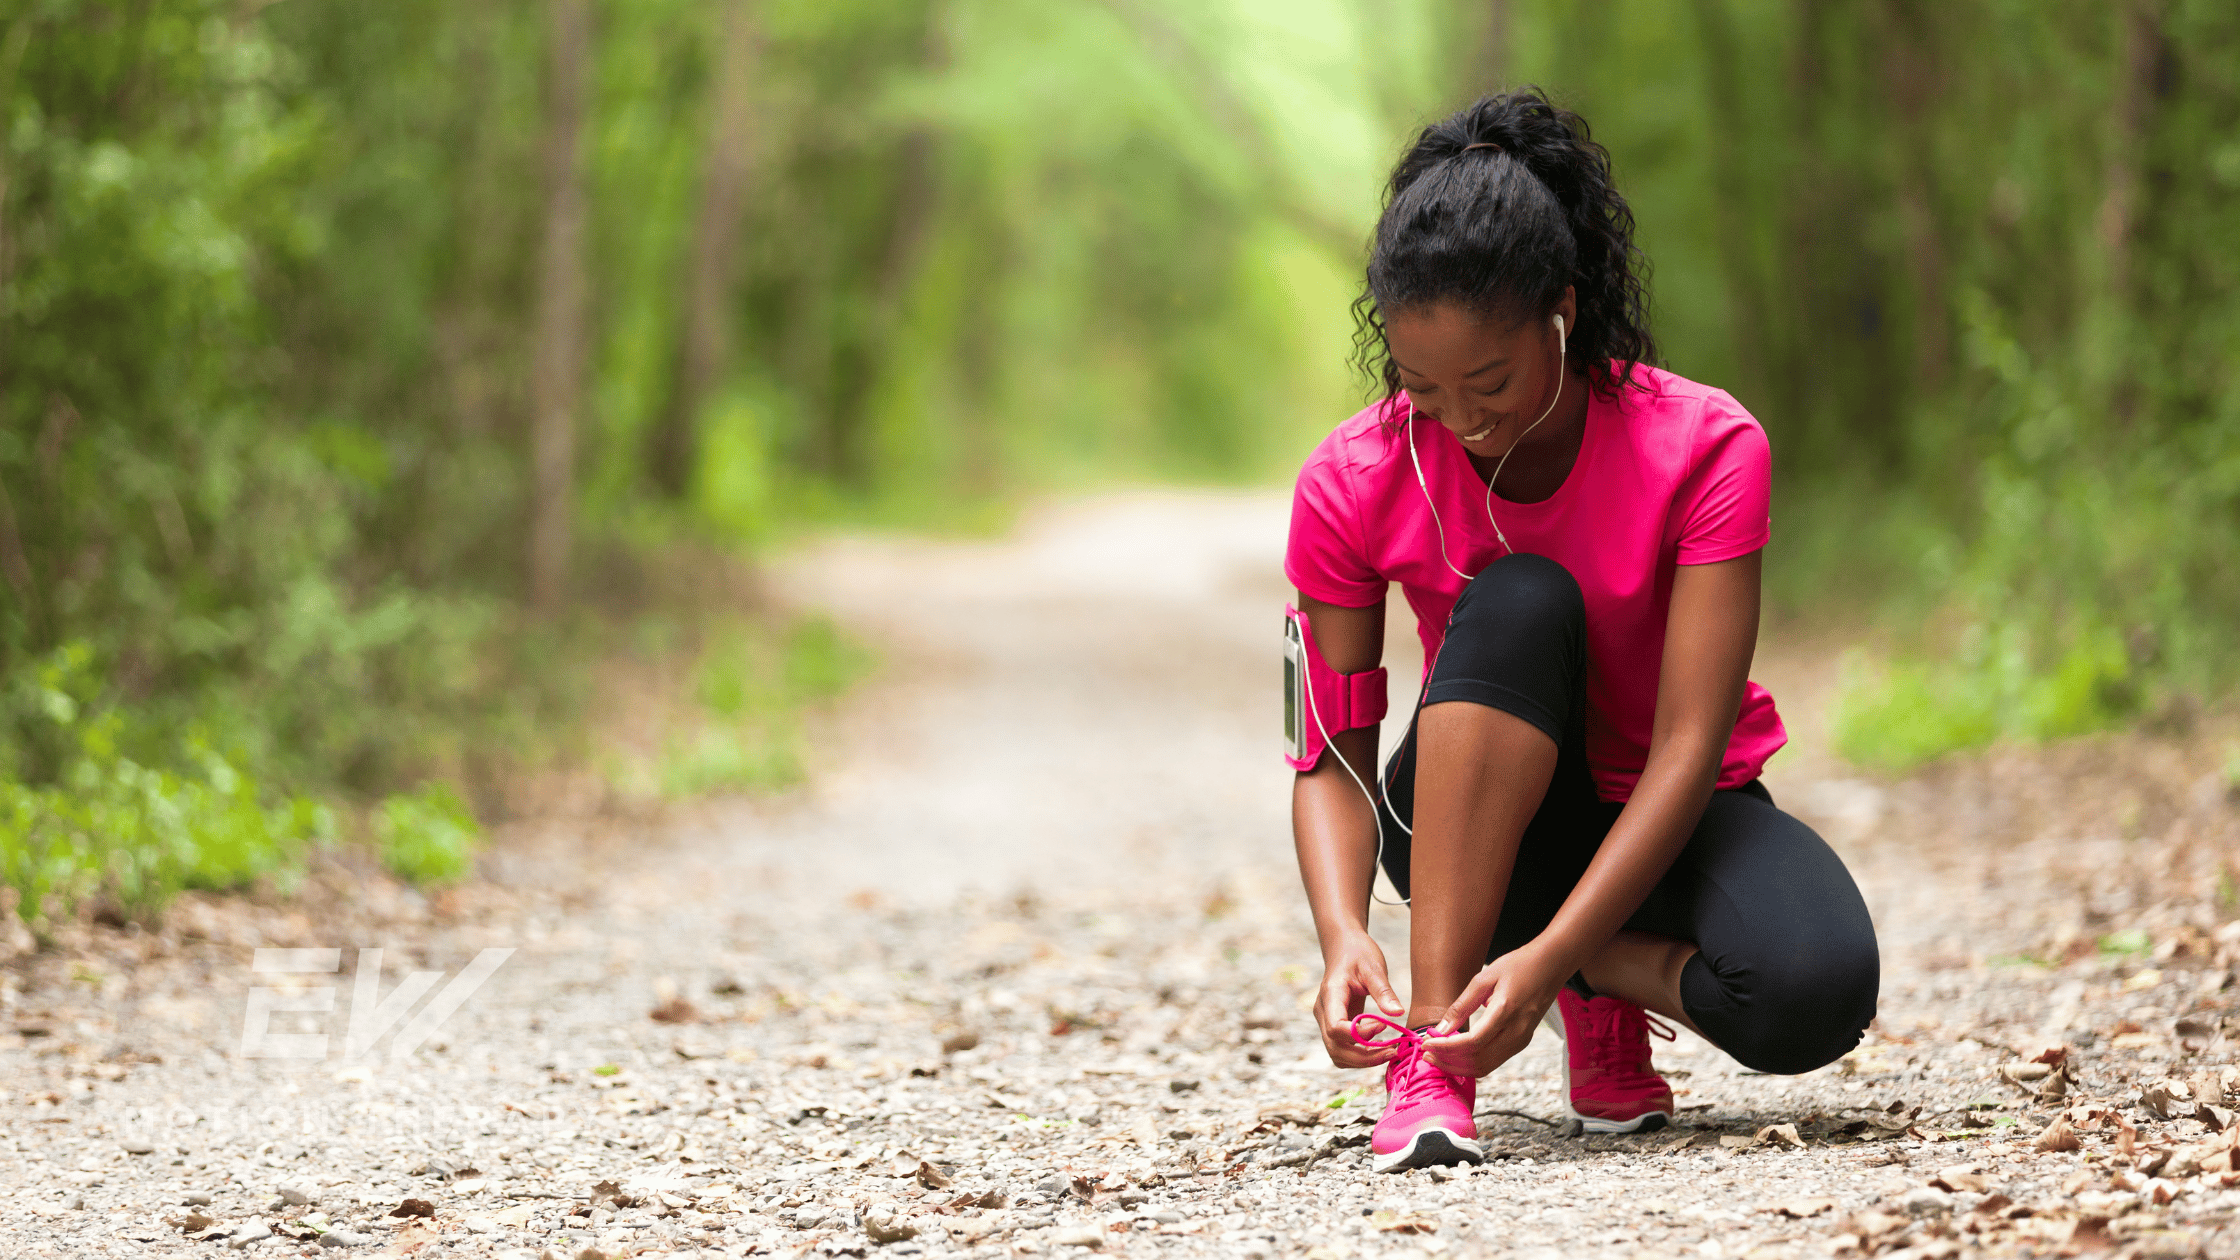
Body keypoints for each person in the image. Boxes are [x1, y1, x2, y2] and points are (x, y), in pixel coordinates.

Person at [1284, 89, 1880, 1174]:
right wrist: (1340, 933)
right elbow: (1327, 755)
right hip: (1477, 824)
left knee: (1813, 991)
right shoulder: (1351, 478)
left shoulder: (1702, 446)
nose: (1463, 419)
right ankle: (1434, 1053)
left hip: (1664, 806)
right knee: (1519, 597)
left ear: (1559, 312)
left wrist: (1559, 952)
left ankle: (1586, 978)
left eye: (1491, 381)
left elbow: (1690, 747)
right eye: (1422, 387)